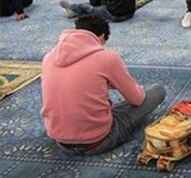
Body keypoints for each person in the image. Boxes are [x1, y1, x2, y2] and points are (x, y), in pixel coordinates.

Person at [41, 15, 166, 155]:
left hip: (60, 140)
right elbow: (137, 99)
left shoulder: (48, 58)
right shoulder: (108, 58)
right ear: (101, 37)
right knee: (157, 91)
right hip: (98, 141)